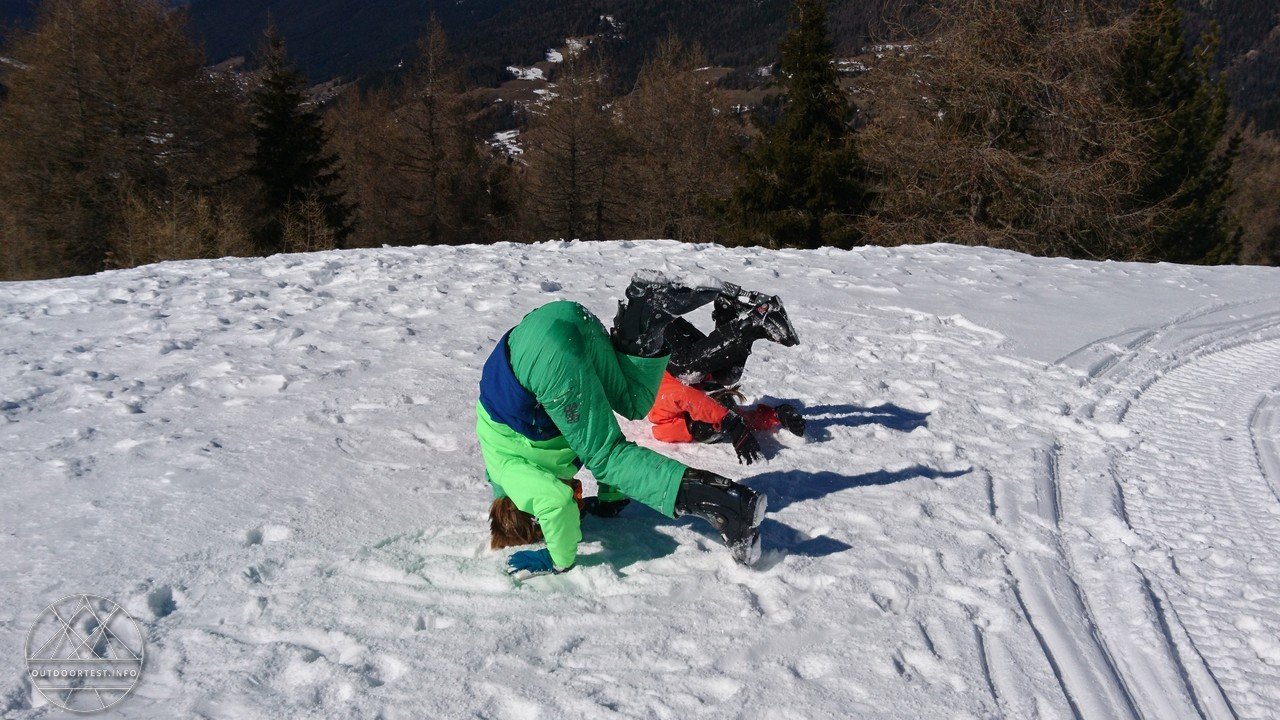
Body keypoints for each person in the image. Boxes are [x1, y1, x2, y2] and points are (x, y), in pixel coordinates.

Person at [476, 272, 768, 579]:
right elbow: (593, 431)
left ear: (531, 515)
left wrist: (557, 558)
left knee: (607, 457)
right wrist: (610, 499)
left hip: (543, 358)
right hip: (564, 318)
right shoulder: (505, 459)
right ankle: (645, 315)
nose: (576, 496)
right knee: (634, 401)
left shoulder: (511, 476)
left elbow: (555, 502)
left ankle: (729, 506)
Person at [648, 285, 806, 463]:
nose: (718, 426)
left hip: (649, 326)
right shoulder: (704, 395)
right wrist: (777, 415)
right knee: (726, 376)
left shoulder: (661, 410)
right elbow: (745, 419)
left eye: (712, 425)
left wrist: (730, 424)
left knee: (688, 371)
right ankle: (728, 309)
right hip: (680, 349)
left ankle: (756, 321)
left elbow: (687, 398)